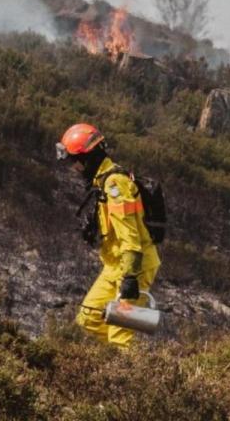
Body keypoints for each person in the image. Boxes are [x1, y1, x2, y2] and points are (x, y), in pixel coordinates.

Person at [56, 123, 161, 348]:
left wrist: (131, 277)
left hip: (134, 265)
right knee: (87, 320)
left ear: (88, 158)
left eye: (75, 162)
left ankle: (127, 372)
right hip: (114, 266)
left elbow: (129, 236)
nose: (74, 169)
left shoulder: (115, 185)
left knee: (119, 336)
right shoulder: (102, 183)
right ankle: (115, 365)